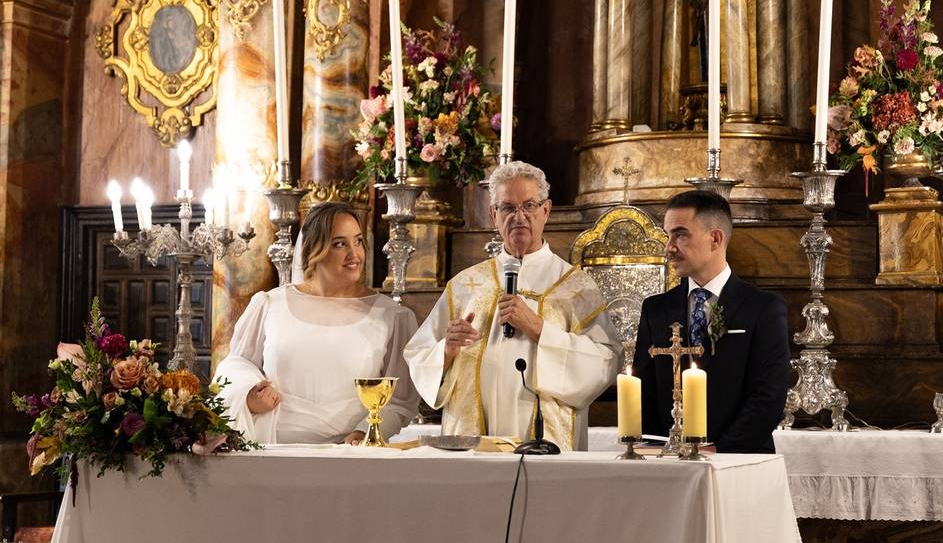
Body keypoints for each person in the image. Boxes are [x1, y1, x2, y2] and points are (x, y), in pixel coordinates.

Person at [404, 161, 622, 450]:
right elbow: (419, 355)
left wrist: (539, 330)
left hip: (546, 441)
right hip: (473, 440)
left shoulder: (576, 287)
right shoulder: (465, 285)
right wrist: (446, 350)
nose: (519, 216)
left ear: (546, 210)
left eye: (529, 205)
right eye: (507, 207)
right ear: (493, 214)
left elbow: (606, 361)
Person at [215, 202, 420, 444]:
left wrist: (365, 432)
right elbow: (235, 366)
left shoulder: (392, 316)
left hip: (349, 457)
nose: (355, 255)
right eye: (339, 244)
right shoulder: (270, 305)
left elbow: (401, 399)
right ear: (314, 249)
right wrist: (248, 396)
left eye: (358, 241)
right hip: (273, 450)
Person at [633, 190, 790, 453]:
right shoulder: (655, 309)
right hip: (668, 464)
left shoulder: (763, 308)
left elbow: (768, 397)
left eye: (680, 234)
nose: (669, 247)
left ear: (715, 239)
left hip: (740, 462)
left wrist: (718, 450)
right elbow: (645, 392)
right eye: (668, 235)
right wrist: (656, 452)